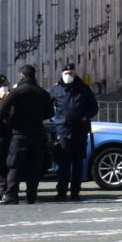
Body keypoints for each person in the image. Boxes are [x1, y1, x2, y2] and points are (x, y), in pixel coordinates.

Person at [0, 65, 54, 205]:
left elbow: (3, 106)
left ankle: (11, 195)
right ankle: (31, 196)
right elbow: (50, 113)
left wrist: (7, 119)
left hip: (19, 133)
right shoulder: (42, 92)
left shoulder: (18, 91)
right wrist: (38, 117)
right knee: (34, 166)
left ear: (22, 75)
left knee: (14, 165)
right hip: (37, 133)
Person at [51, 64, 98, 201]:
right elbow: (47, 106)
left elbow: (94, 107)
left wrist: (85, 116)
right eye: (66, 73)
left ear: (75, 74)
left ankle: (75, 192)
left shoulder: (84, 88)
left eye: (70, 73)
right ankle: (61, 192)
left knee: (78, 163)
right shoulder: (56, 89)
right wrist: (55, 119)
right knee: (63, 163)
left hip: (80, 130)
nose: (68, 75)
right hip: (63, 130)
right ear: (61, 74)